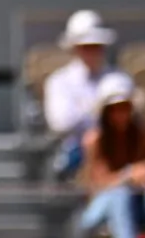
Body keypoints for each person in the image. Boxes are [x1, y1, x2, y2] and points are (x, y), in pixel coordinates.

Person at [80, 73, 145, 238]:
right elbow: (97, 184)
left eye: (125, 107)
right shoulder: (95, 140)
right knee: (120, 195)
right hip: (102, 205)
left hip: (141, 202)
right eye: (114, 109)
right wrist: (129, 175)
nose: (120, 114)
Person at [46, 10, 117, 176]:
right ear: (75, 49)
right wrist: (98, 110)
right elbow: (61, 122)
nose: (91, 52)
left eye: (96, 46)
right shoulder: (59, 81)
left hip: (115, 151)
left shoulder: (118, 77)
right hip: (74, 154)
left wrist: (83, 110)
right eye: (86, 47)